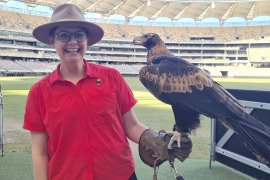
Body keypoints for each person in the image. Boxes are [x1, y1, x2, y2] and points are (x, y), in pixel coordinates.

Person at [23, 3, 191, 180]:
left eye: (79, 35)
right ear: (52, 41)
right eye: (63, 35)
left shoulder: (112, 77)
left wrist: (156, 140)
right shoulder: (38, 93)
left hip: (120, 174)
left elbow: (131, 125)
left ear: (87, 40)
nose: (73, 42)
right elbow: (39, 152)